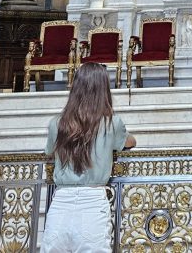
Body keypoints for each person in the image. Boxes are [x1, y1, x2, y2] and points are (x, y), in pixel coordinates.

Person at [42, 62, 135, 252]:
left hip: (61, 200)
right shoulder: (112, 123)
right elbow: (130, 142)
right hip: (93, 200)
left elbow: (49, 151)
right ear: (103, 89)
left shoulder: (58, 124)